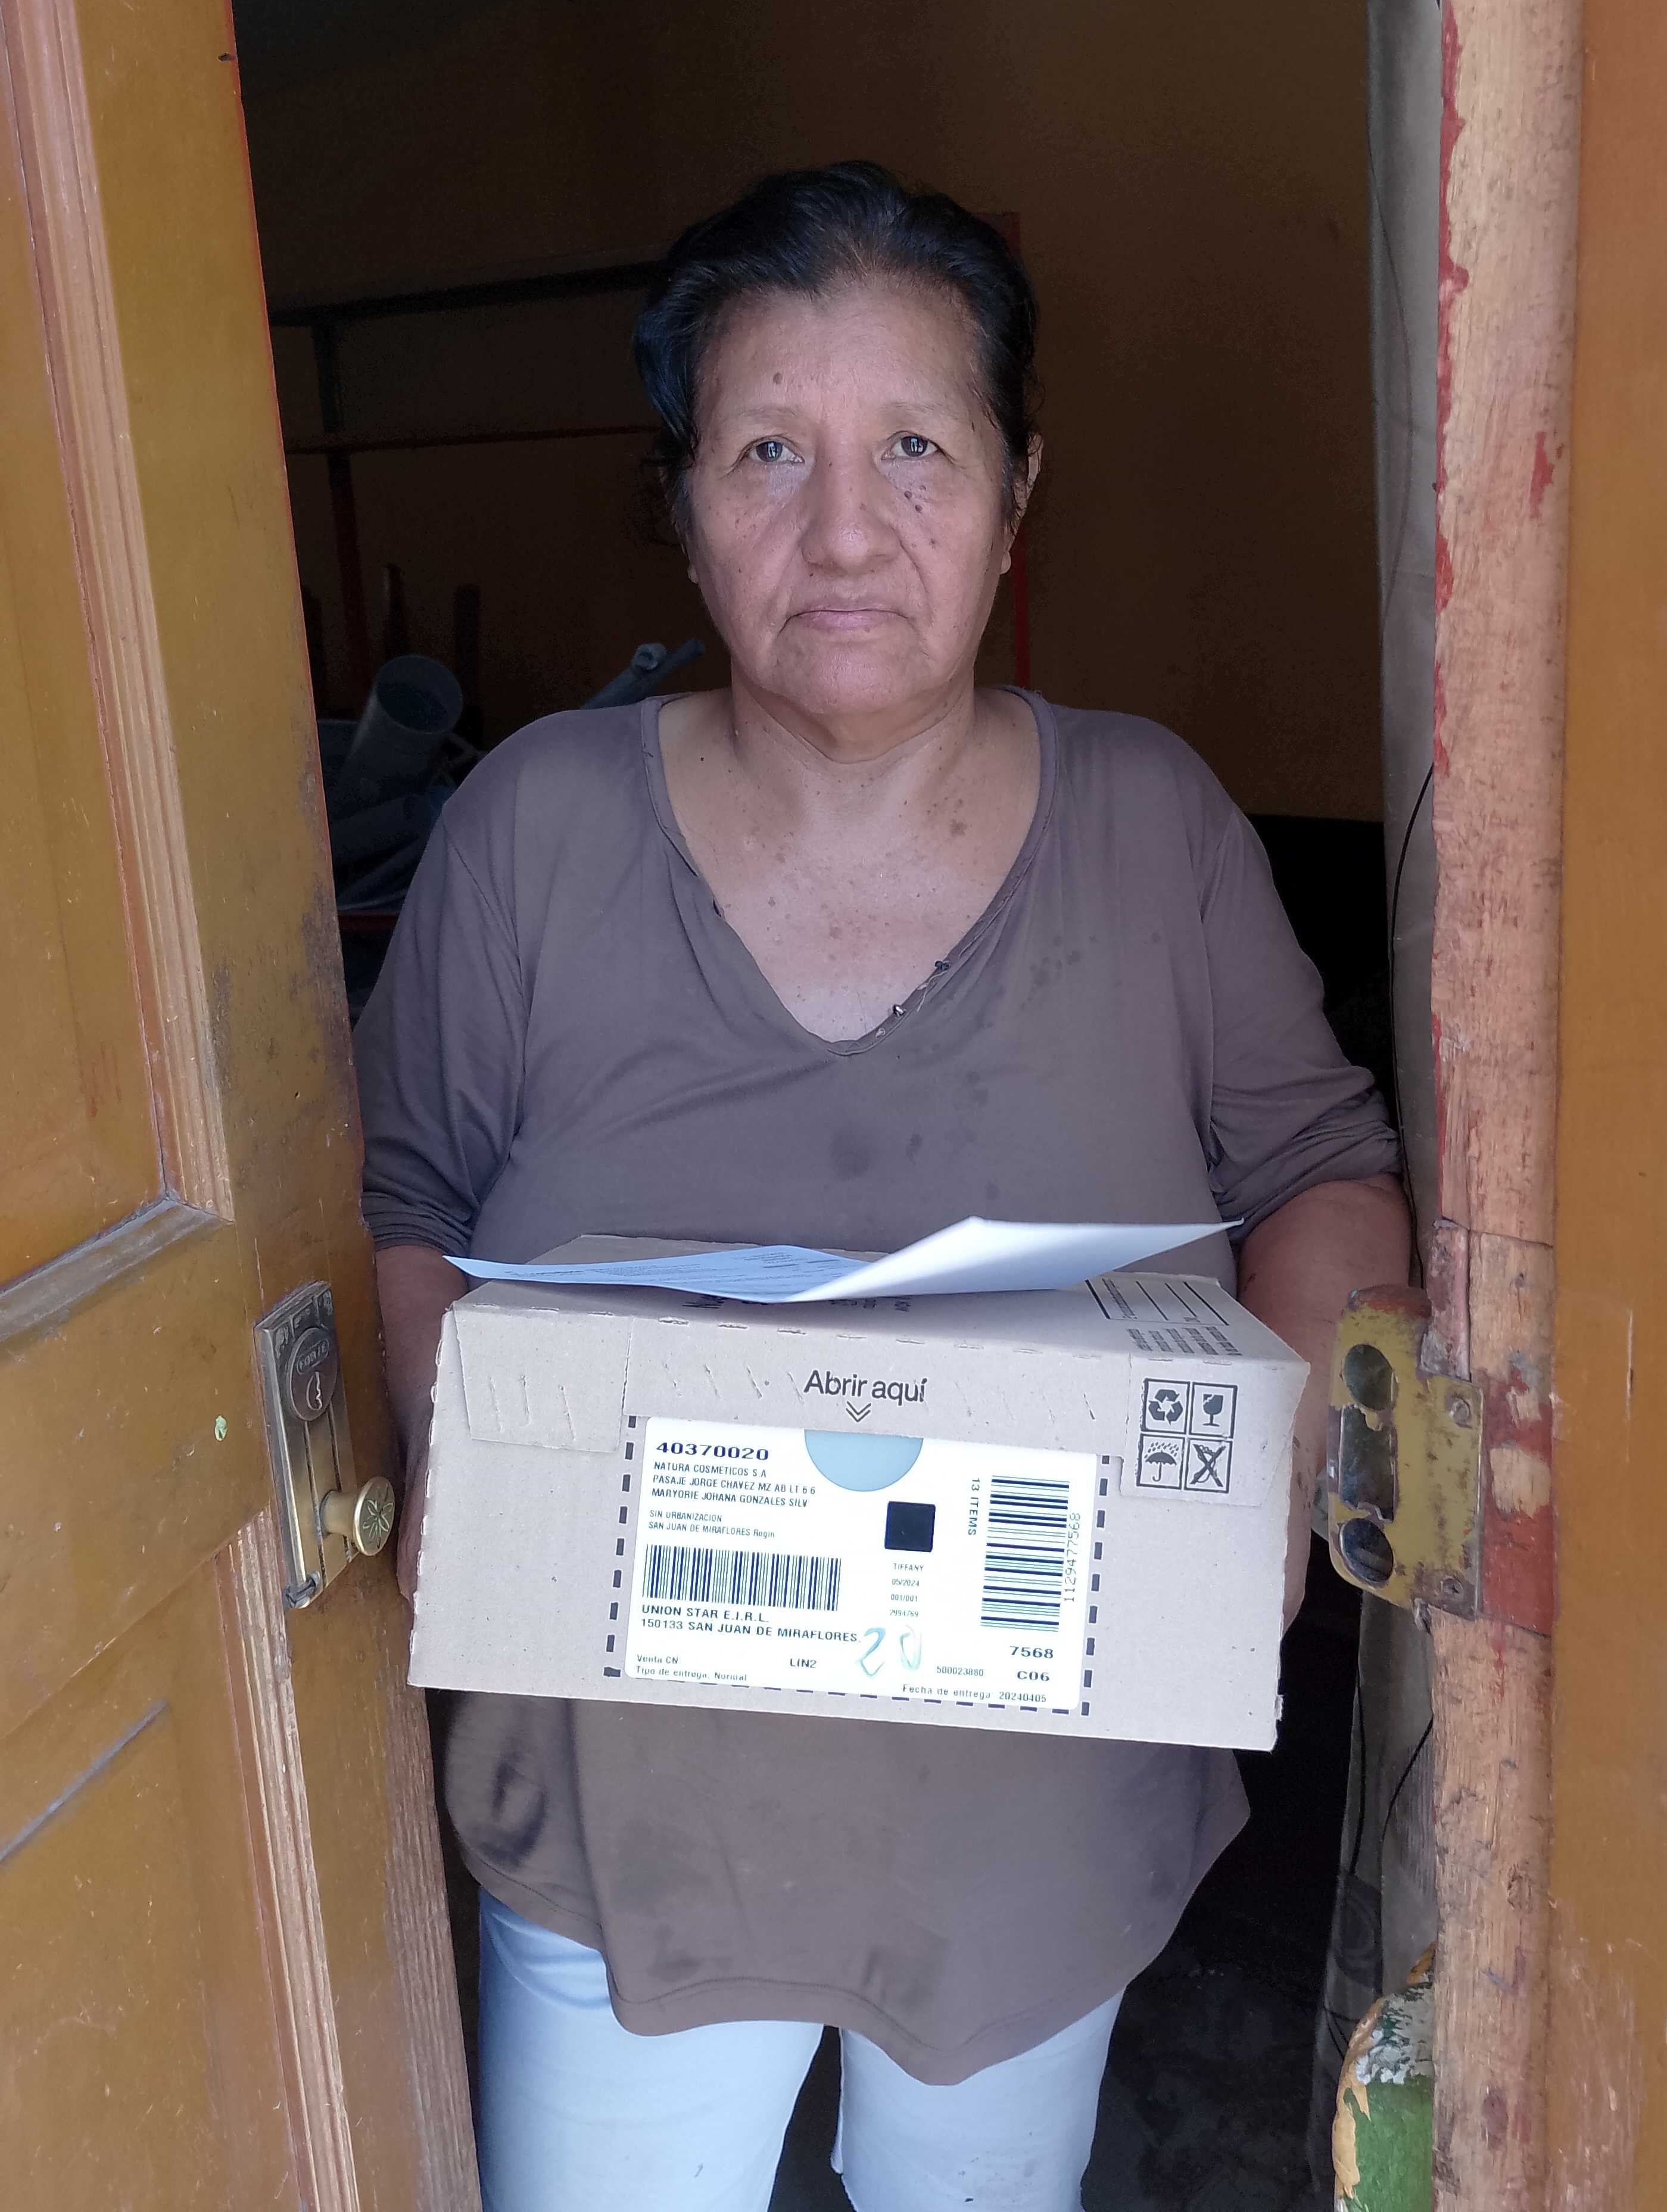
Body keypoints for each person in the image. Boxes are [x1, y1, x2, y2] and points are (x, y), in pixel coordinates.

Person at [356, 160, 1410, 2212]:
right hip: (629, 1820)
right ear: (683, 506)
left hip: (1033, 1820)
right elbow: (400, 1199)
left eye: (917, 446)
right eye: (769, 451)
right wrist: (463, 1474)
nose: (846, 531)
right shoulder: (533, 827)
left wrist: (1264, 1487)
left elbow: (1324, 1176)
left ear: (1020, 495)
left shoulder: (1154, 826)